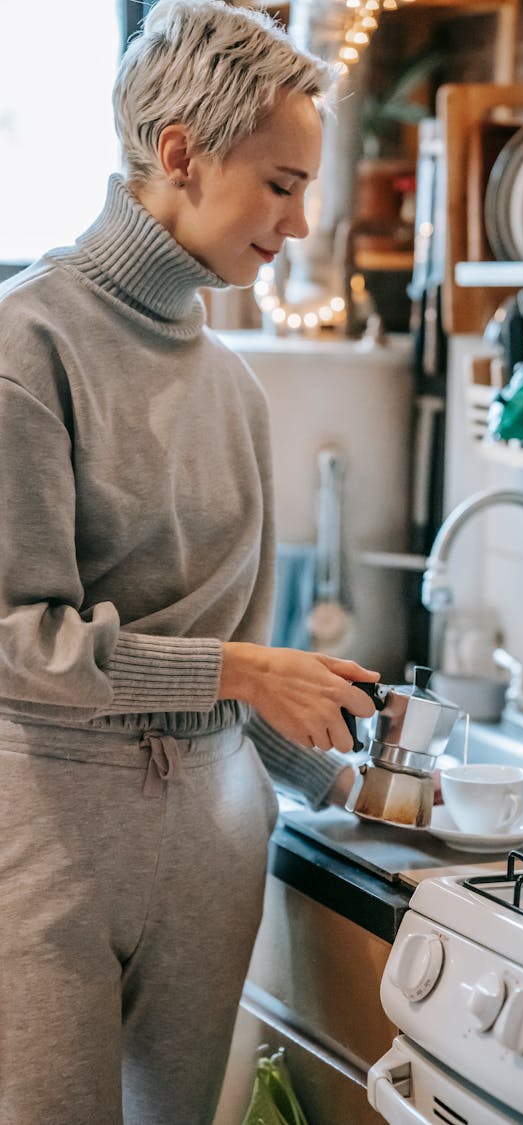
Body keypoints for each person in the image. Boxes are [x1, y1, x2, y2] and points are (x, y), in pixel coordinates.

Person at [0, 2, 379, 1122]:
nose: (301, 221)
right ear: (179, 154)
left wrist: (351, 785)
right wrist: (245, 672)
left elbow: (242, 675)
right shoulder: (29, 347)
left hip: (215, 851)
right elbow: (19, 642)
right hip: (51, 855)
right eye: (279, 182)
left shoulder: (239, 392)